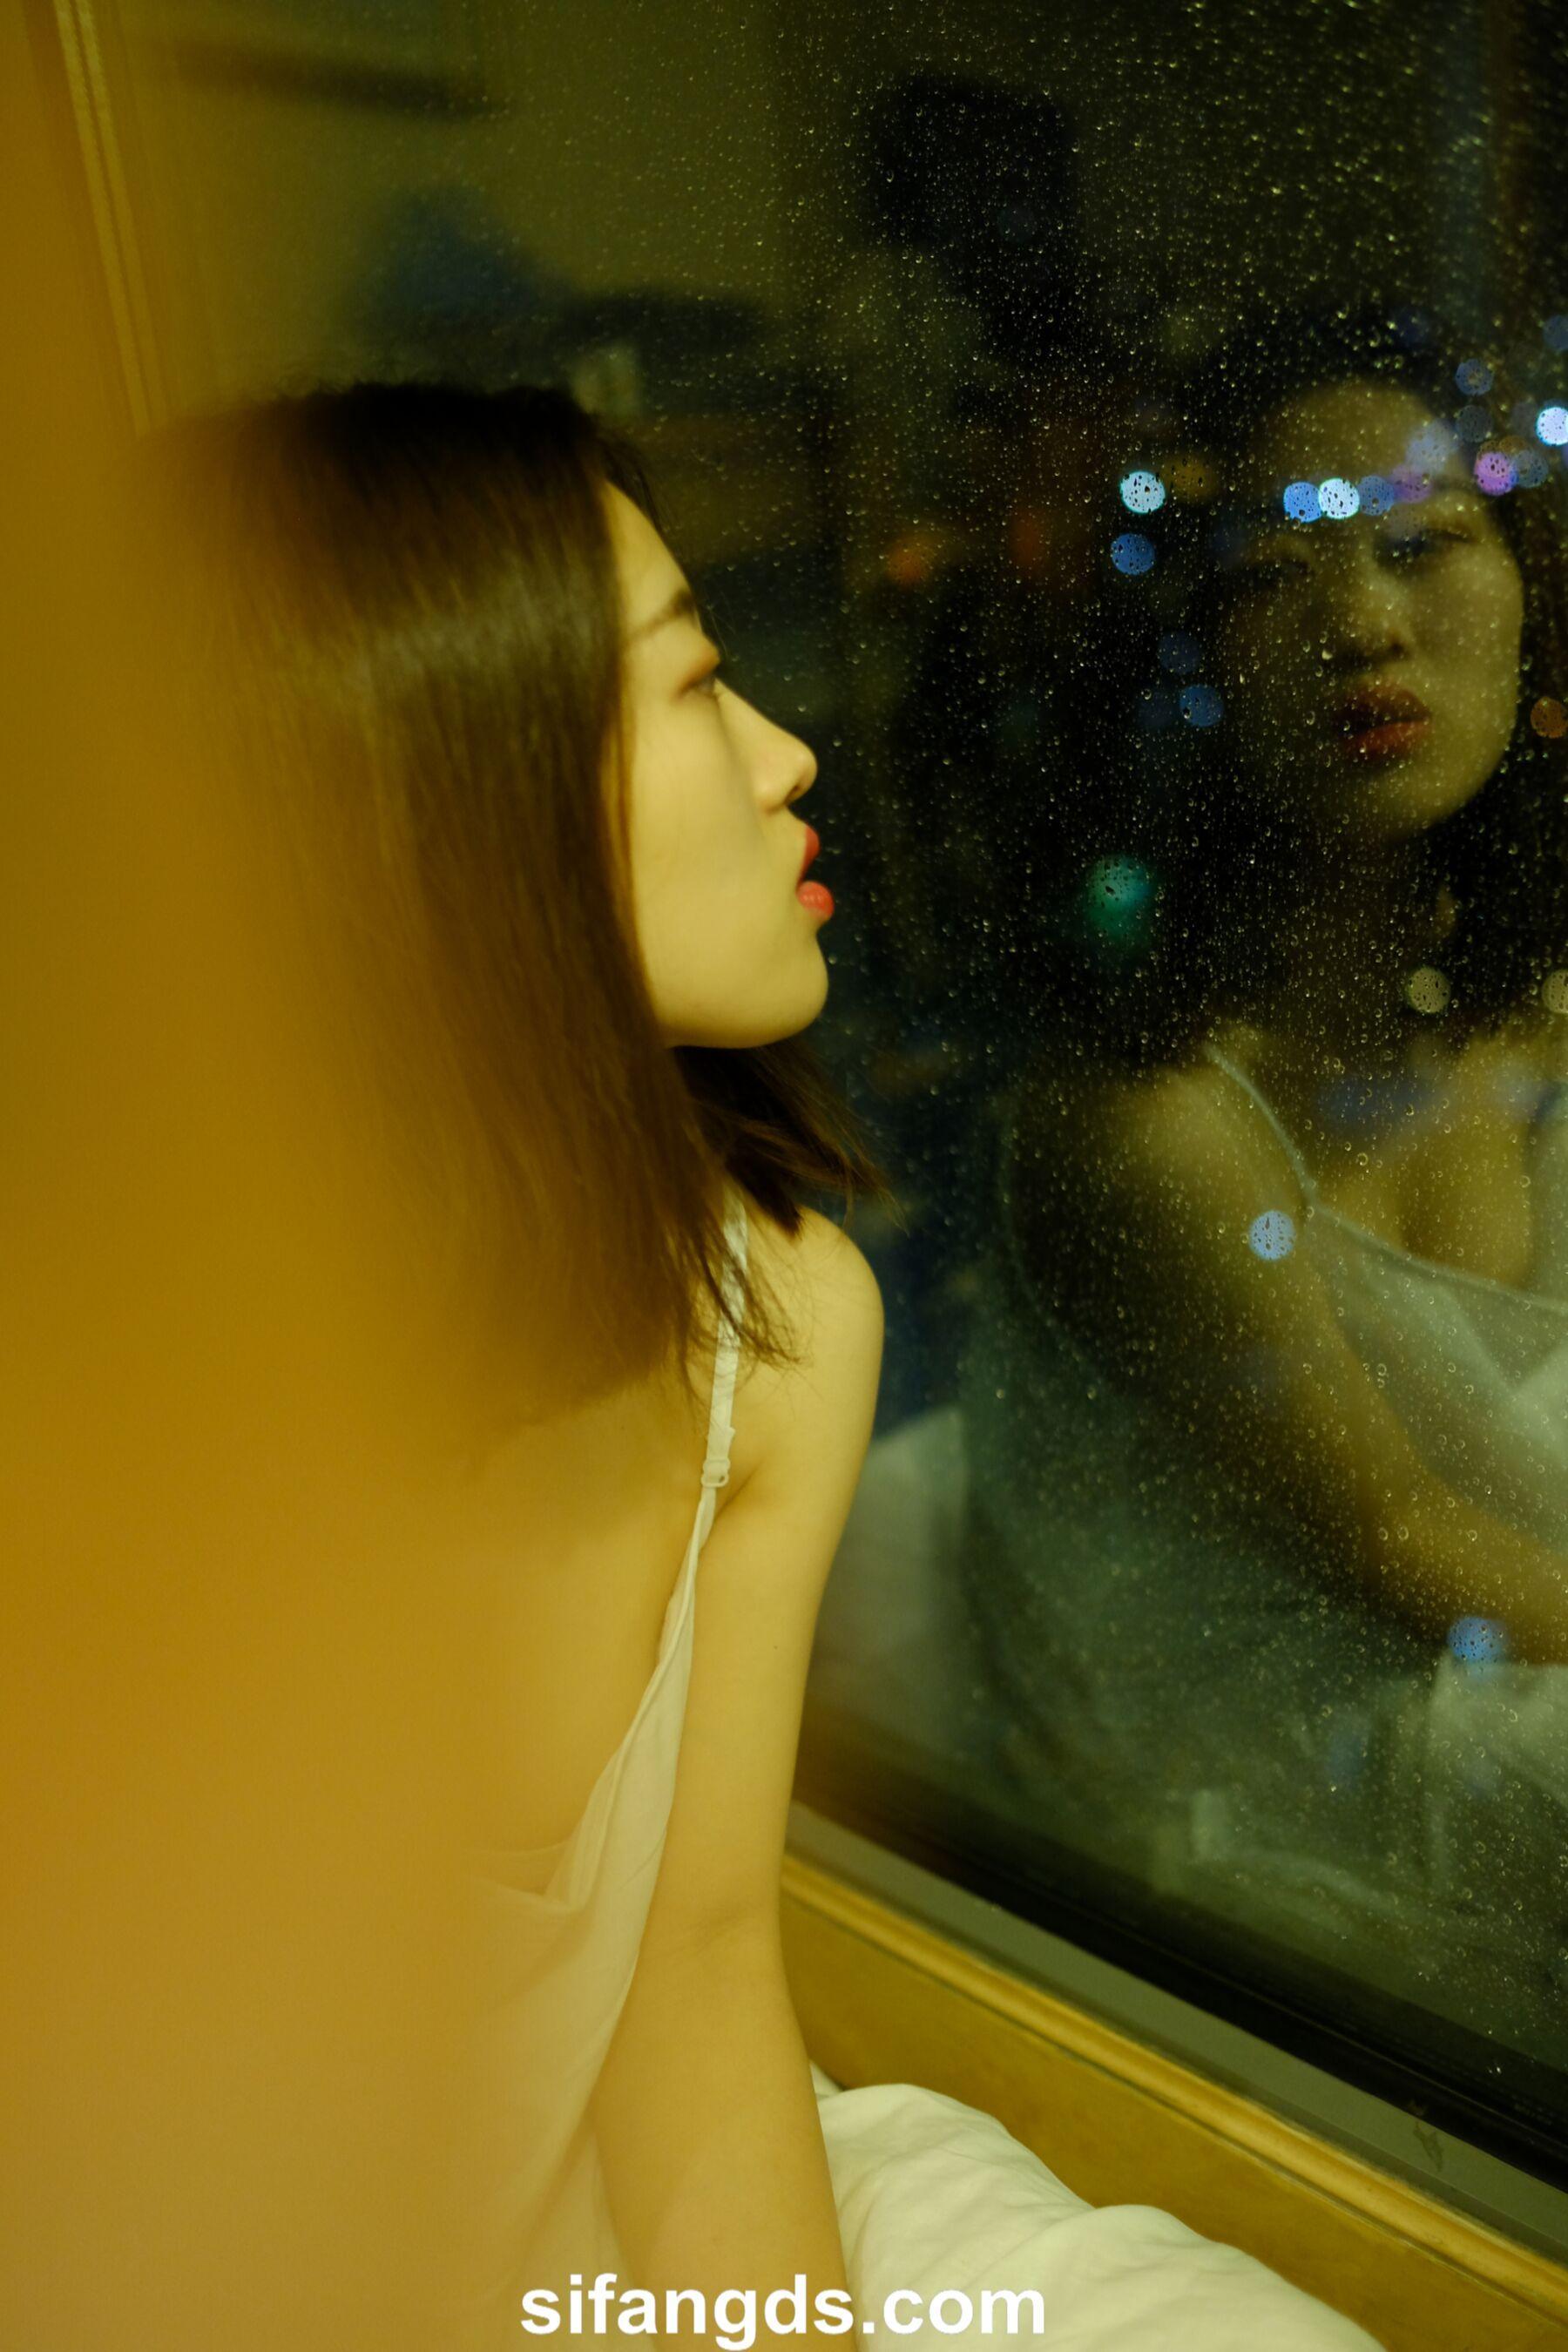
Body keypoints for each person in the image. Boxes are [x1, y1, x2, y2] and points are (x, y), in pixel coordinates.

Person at [156, 382, 1381, 2349]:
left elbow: (697, 1978)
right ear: (448, 790)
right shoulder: (139, 1420)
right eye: (694, 682)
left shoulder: (779, 1331)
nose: (789, 753)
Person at [963, 309, 1568, 2054]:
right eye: (1271, 577)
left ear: (1524, 583)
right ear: (1181, 652)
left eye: (1422, 546)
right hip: (1254, 1838)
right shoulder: (1147, 1112)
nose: (1364, 624)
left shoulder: (1537, 995)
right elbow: (1397, 1541)